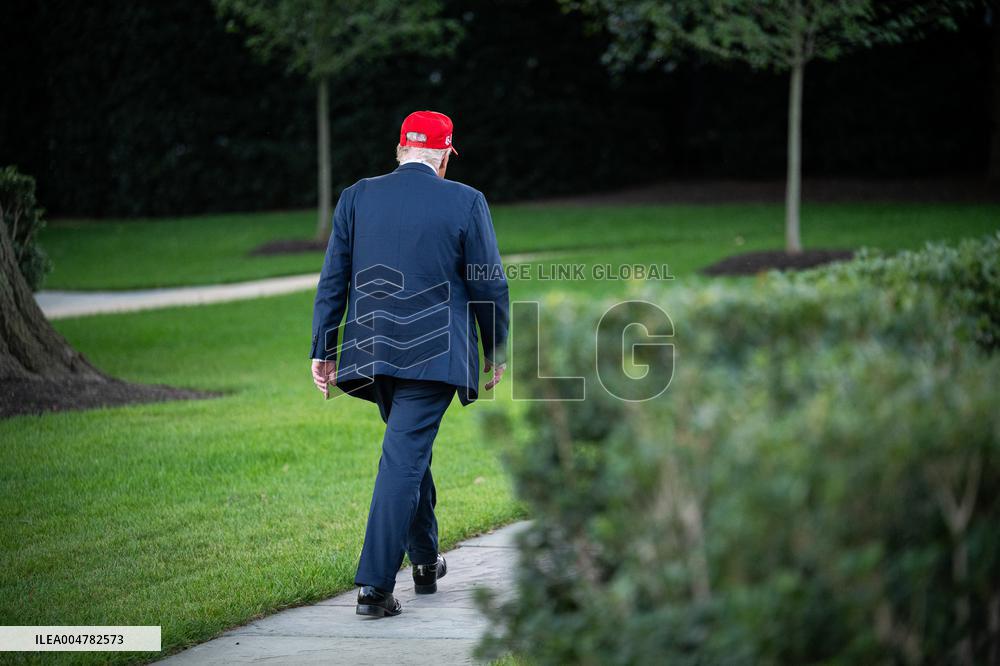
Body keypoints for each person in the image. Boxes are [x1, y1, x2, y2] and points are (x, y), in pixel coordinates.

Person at [310, 110, 510, 618]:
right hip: (436, 353)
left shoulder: (357, 195)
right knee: (403, 458)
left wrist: (323, 347)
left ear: (401, 149)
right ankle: (374, 588)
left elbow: (334, 277)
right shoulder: (467, 201)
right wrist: (497, 349)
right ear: (444, 155)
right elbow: (489, 282)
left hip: (371, 353)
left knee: (405, 450)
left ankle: (424, 562)